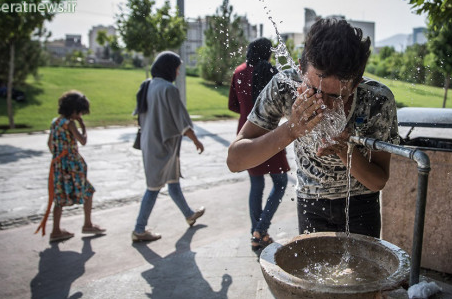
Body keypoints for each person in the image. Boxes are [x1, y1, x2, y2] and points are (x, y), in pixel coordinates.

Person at [227, 18, 399, 237]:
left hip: (361, 204)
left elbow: (377, 181)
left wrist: (345, 151)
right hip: (311, 201)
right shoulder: (284, 87)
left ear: (356, 84)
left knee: (363, 271)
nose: (323, 104)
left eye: (336, 96)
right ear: (300, 70)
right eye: (312, 90)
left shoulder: (376, 100)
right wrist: (291, 130)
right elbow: (235, 160)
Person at [132, 51, 205, 242]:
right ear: (169, 69)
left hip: (152, 144)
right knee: (153, 187)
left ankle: (189, 214)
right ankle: (139, 229)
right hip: (163, 147)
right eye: (177, 69)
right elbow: (183, 123)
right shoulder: (168, 89)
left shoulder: (147, 85)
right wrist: (196, 141)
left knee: (173, 182)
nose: (178, 73)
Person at [228, 38, 290, 251]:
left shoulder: (238, 72)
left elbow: (233, 105)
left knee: (257, 185)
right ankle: (260, 230)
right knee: (280, 182)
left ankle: (257, 233)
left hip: (245, 135)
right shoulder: (271, 71)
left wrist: (248, 111)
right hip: (269, 135)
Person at [35, 90, 105, 242]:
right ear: (74, 110)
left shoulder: (55, 122)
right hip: (72, 165)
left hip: (58, 164)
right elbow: (83, 141)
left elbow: (49, 143)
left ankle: (56, 230)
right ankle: (87, 224)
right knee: (88, 191)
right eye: (80, 112)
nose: (81, 116)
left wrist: (59, 156)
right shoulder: (71, 124)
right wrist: (84, 127)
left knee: (59, 196)